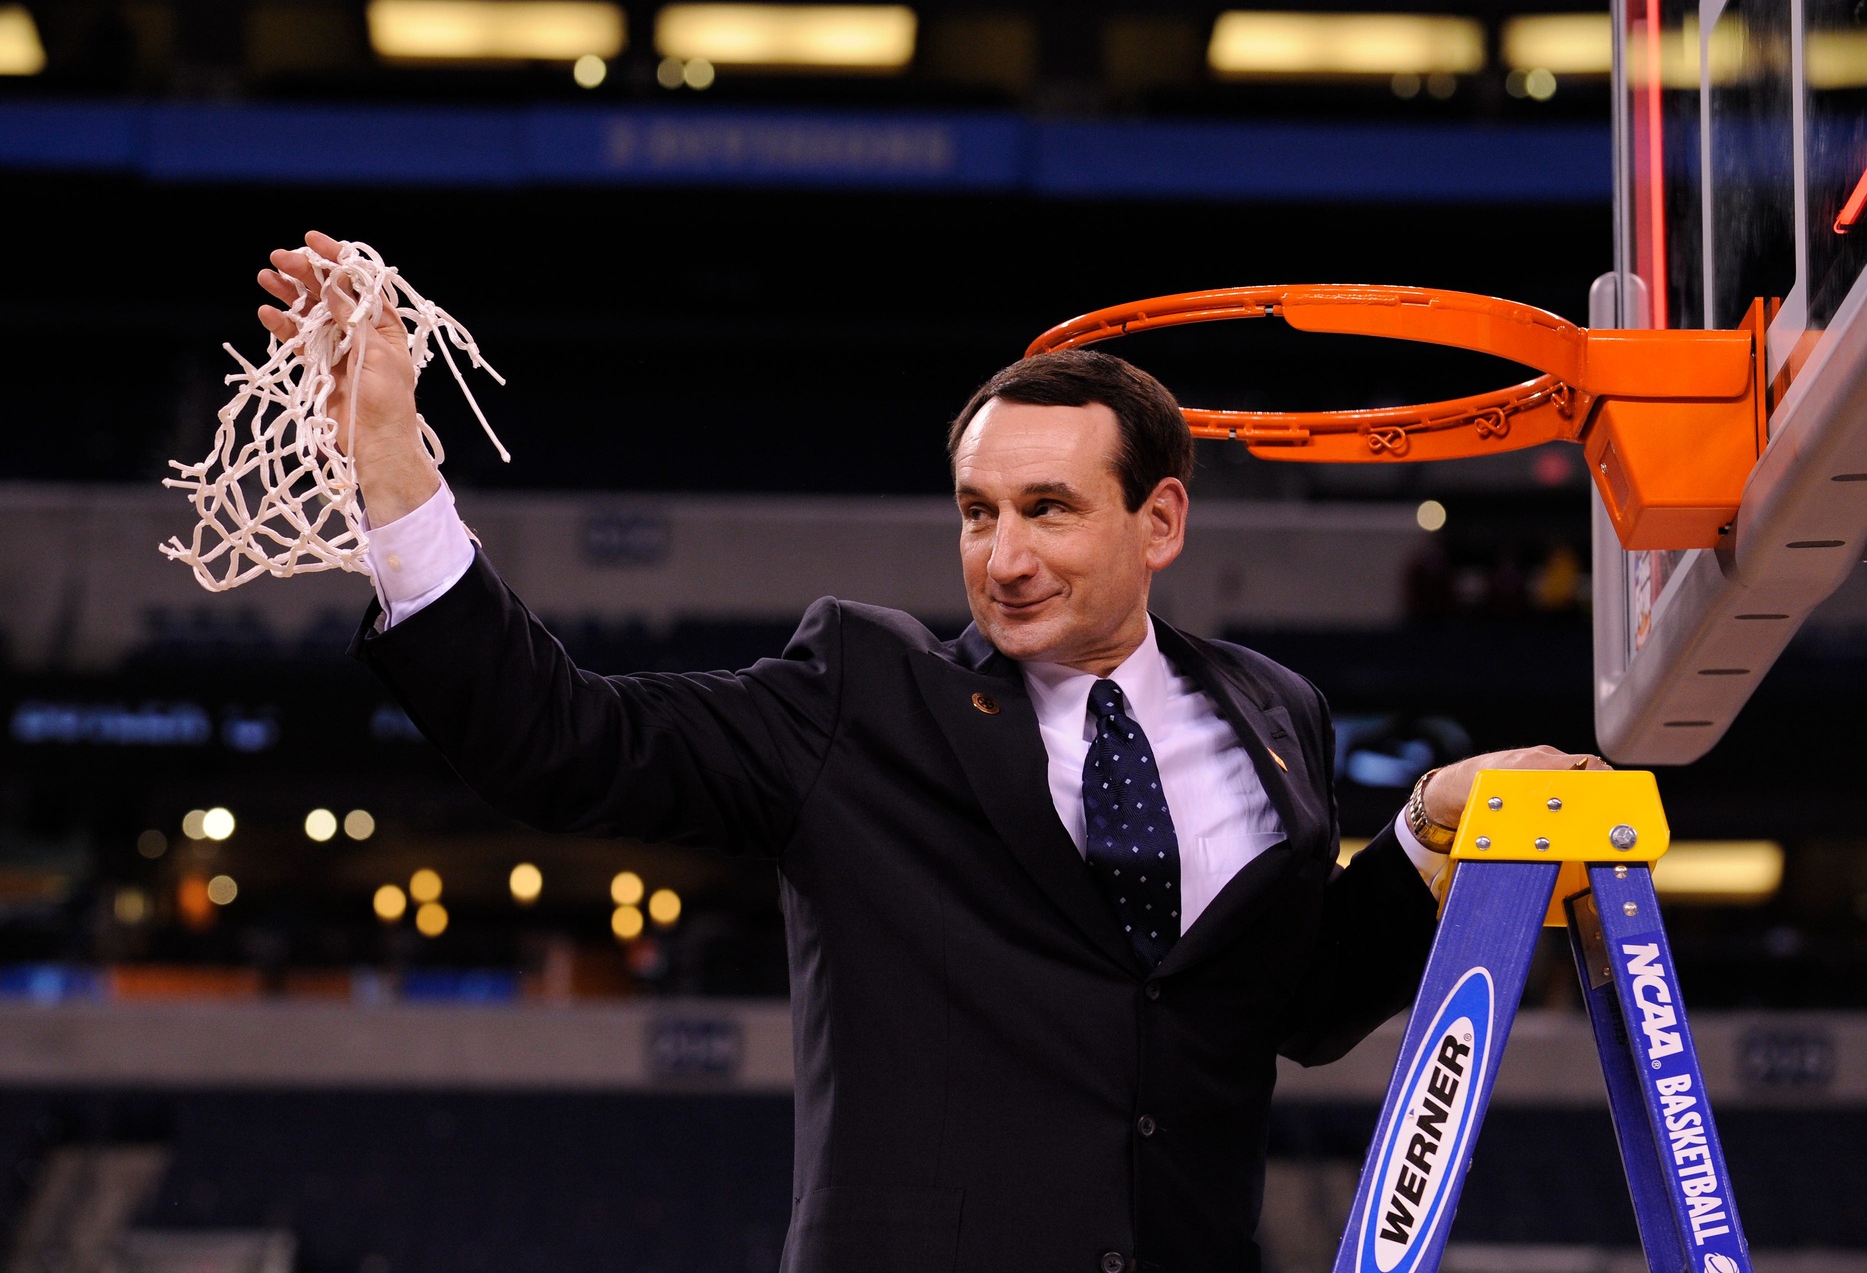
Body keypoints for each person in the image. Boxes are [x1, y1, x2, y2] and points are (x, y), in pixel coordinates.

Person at [258, 231, 1608, 1273]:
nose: (1002, 558)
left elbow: (1291, 1006)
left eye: (1048, 510)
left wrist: (1429, 833)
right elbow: (559, 743)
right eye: (976, 512)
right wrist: (391, 464)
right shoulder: (859, 698)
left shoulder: (1277, 715)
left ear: (1163, 520)